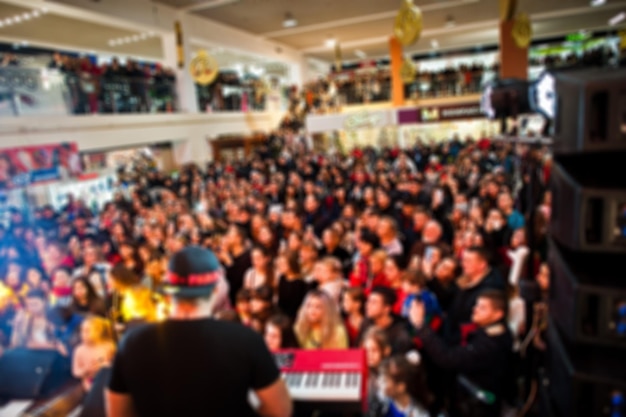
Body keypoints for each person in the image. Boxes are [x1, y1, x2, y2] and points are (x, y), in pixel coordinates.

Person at [106, 246, 292, 417]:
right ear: (216, 289)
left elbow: (117, 413)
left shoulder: (131, 344)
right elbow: (280, 410)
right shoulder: (245, 340)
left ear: (169, 291)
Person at [409, 289, 513, 417]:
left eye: (483, 308)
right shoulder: (486, 330)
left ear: (498, 315)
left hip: (477, 404)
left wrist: (421, 326)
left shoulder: (491, 344)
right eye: (476, 305)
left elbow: (448, 358)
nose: (475, 309)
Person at [72, 316, 116, 391]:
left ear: (98, 332)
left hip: (107, 382)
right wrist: (86, 370)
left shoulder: (108, 347)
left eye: (87, 331)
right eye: (81, 330)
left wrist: (104, 365)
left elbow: (116, 365)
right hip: (90, 385)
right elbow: (75, 372)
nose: (83, 334)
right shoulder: (79, 350)